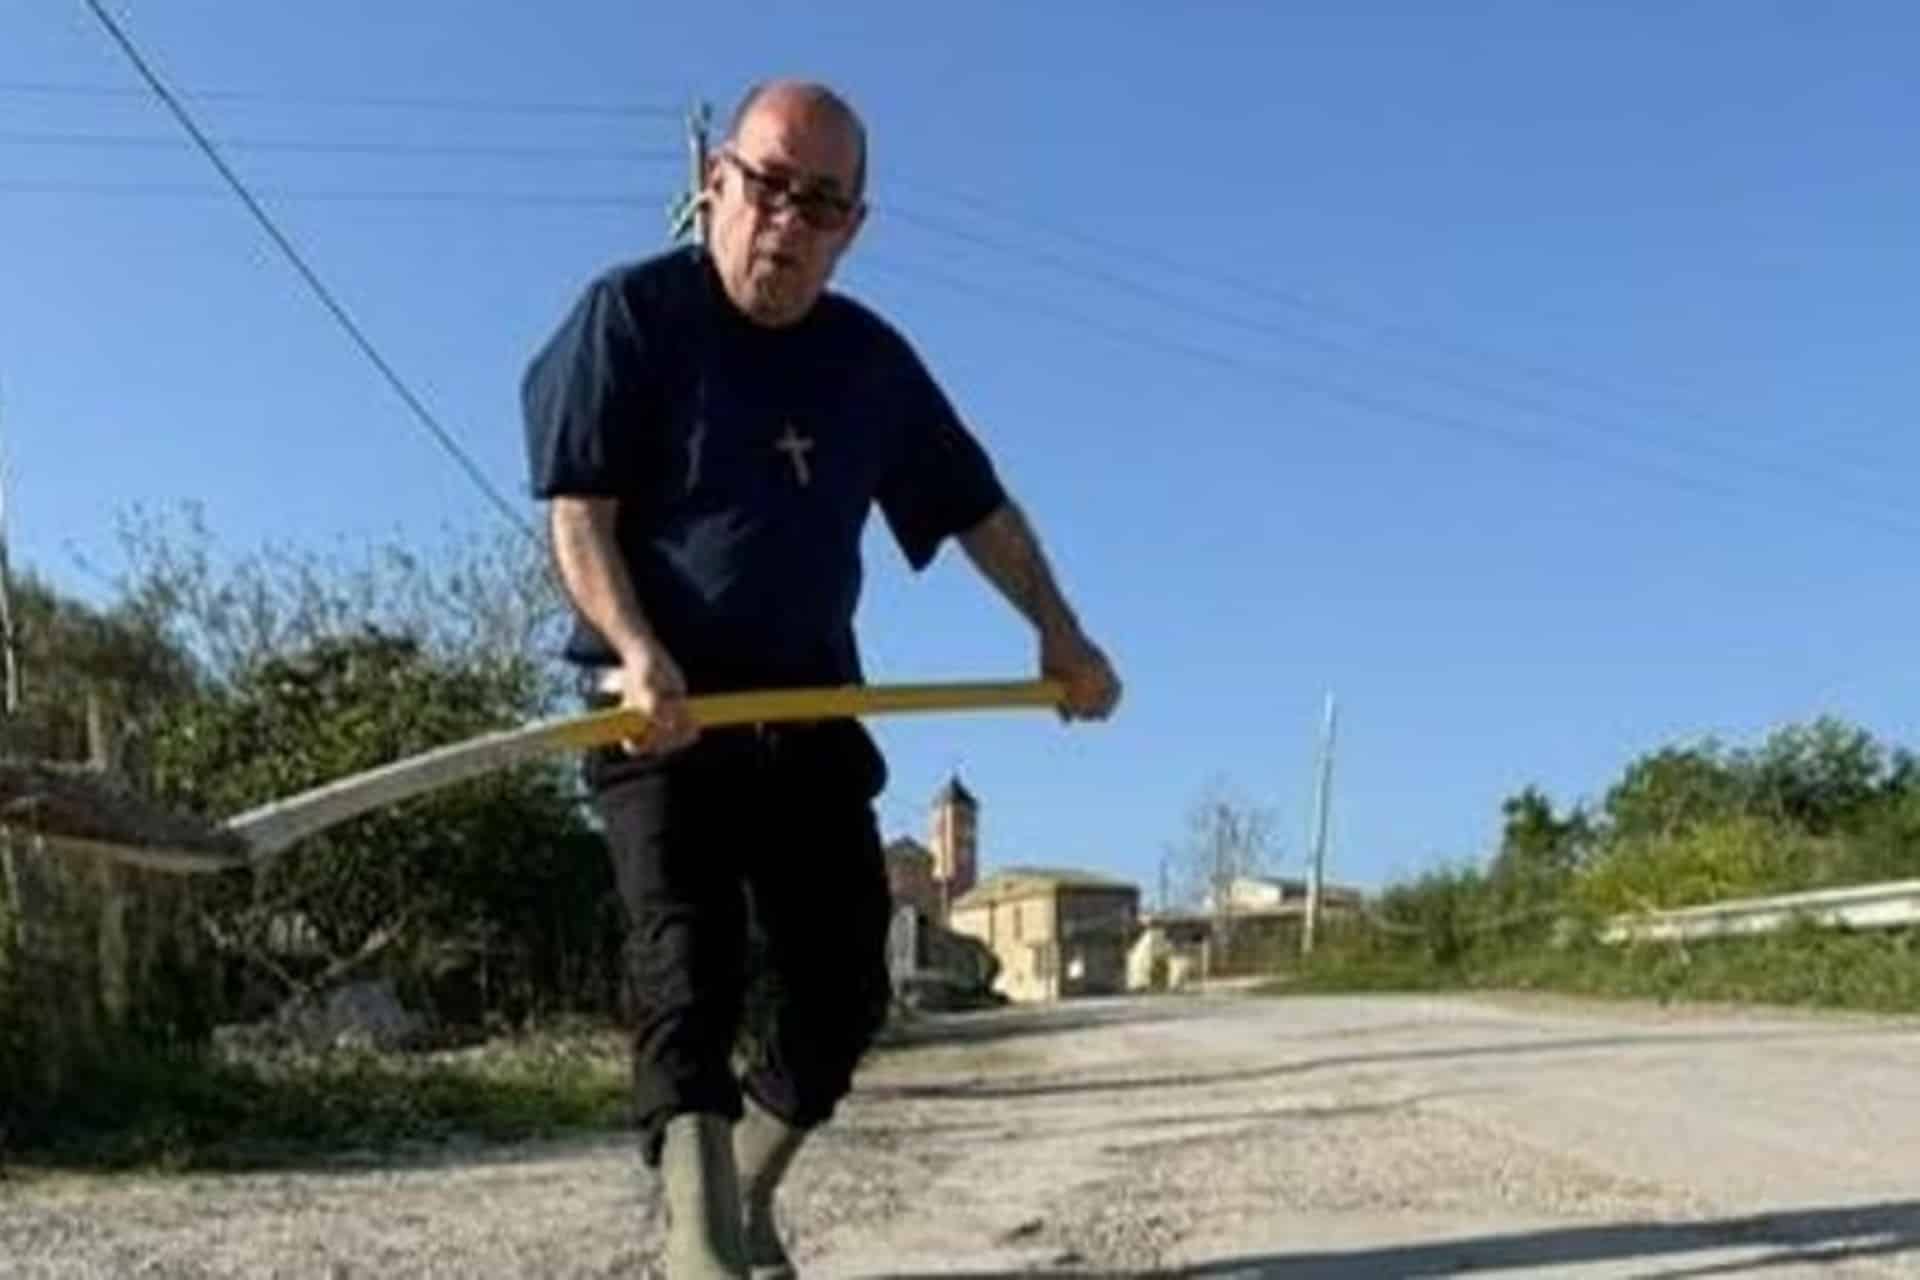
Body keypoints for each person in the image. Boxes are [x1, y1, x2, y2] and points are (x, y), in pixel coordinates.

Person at [520, 79, 1120, 1279]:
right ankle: (699, 1256)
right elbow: (580, 515)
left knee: (845, 985)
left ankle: (742, 1195)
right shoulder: (632, 317)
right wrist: (640, 651)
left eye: (821, 202)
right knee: (685, 971)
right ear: (715, 185)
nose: (786, 223)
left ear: (853, 225)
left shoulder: (869, 365)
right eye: (766, 187)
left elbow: (977, 511)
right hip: (661, 718)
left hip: (806, 711)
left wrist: (1061, 633)